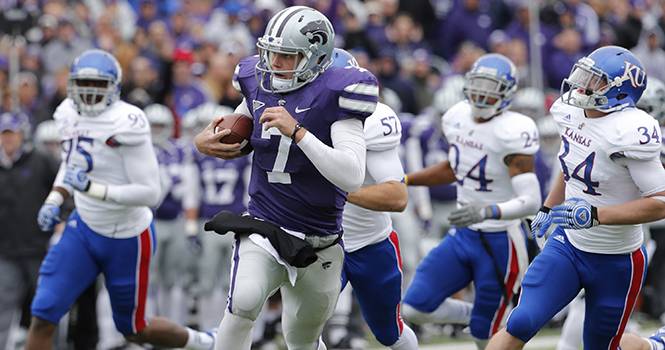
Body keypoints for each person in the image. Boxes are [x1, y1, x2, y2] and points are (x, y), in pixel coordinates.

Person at [194, 6, 379, 350]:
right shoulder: (257, 81)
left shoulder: (339, 93)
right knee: (243, 303)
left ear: (317, 58)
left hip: (319, 239)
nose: (273, 62)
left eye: (286, 56)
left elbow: (352, 176)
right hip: (265, 223)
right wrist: (203, 141)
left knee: (303, 338)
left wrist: (300, 133)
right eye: (271, 52)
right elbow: (240, 126)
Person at [28, 49, 216, 350]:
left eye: (99, 85)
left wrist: (92, 188)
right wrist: (55, 197)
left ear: (114, 88)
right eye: (83, 84)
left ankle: (204, 342)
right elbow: (71, 162)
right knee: (43, 315)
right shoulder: (66, 112)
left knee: (133, 329)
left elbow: (150, 193)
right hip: (84, 228)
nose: (90, 93)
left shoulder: (127, 121)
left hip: (126, 235)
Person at [486, 45, 665, 350]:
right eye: (584, 75)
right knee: (521, 321)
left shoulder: (630, 130)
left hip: (618, 259)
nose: (582, 84)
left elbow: (660, 202)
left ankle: (653, 345)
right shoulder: (570, 112)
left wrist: (596, 214)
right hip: (569, 245)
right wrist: (548, 205)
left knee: (603, 346)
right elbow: (571, 164)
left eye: (595, 81)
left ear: (620, 92)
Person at [400, 53, 541, 349]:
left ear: (507, 93)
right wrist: (409, 180)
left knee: (483, 337)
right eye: (478, 84)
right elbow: (455, 166)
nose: (482, 94)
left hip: (501, 241)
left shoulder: (514, 130)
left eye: (491, 87)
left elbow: (531, 200)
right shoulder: (456, 117)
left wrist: (488, 210)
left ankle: (487, 322)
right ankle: (480, 316)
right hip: (463, 234)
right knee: (414, 307)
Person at [325, 48, 418, 350]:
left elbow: (397, 195)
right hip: (319, 240)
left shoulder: (373, 120)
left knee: (389, 331)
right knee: (303, 327)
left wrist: (341, 189)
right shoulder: (295, 116)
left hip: (369, 242)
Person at [0, 111, 60, 350]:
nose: (7, 140)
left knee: (48, 308)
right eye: (3, 134)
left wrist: (62, 221)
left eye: (11, 134)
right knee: (2, 307)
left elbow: (64, 189)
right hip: (6, 251)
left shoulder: (42, 159)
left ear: (21, 135)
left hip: (40, 248)